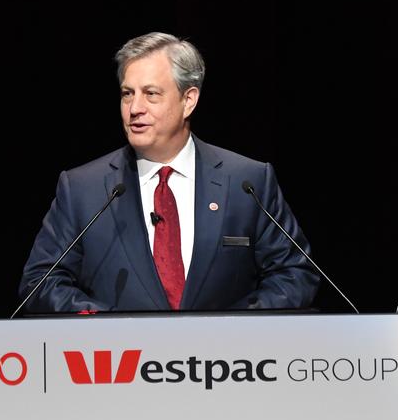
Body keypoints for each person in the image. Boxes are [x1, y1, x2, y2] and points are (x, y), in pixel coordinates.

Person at [18, 32, 319, 313]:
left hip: (225, 363)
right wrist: (103, 326)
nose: (135, 108)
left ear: (188, 100)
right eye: (127, 94)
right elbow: (41, 281)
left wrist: (236, 327)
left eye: (151, 94)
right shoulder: (83, 188)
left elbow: (295, 273)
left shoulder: (247, 180)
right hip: (119, 362)